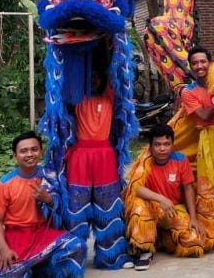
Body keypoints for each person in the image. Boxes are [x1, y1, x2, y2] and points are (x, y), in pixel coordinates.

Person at [65, 47, 132, 268]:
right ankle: (72, 259)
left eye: (96, 76)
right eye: (89, 76)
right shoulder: (77, 99)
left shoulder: (109, 97)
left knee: (108, 204)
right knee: (77, 206)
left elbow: (115, 71)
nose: (93, 79)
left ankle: (110, 257)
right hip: (80, 156)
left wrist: (109, 44)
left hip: (104, 155)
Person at [0, 131, 86, 278]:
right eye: (23, 151)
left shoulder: (49, 176)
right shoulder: (4, 184)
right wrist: (3, 249)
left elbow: (64, 207)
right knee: (2, 275)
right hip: (17, 237)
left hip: (43, 233)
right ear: (15, 155)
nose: (30, 154)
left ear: (41, 151)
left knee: (77, 246)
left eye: (34, 149)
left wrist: (48, 199)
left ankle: (43, 269)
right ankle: (32, 268)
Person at [126, 125, 205, 270]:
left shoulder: (180, 159)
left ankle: (160, 238)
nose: (162, 149)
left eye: (167, 144)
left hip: (173, 209)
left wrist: (193, 218)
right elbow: (135, 188)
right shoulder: (144, 160)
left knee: (194, 241)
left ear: (172, 144)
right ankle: (144, 251)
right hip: (151, 209)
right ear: (150, 146)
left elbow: (188, 188)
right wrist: (161, 199)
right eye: (157, 144)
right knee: (138, 204)